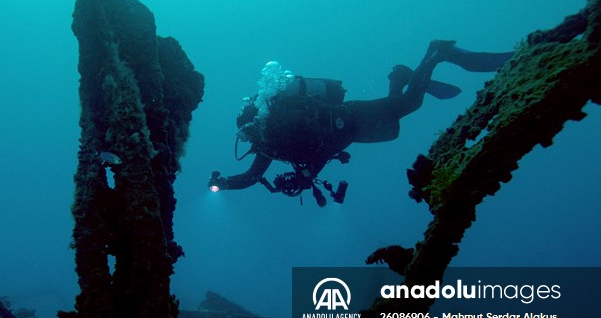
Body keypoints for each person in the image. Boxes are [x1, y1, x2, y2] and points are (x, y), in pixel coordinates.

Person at [208, 40, 512, 206]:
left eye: (248, 131)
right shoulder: (269, 144)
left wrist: (305, 173)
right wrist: (224, 184)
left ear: (258, 120)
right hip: (351, 132)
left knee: (410, 104)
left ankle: (436, 53)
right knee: (393, 129)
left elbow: (318, 145)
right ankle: (400, 77)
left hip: (351, 118)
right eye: (245, 136)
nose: (250, 139)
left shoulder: (284, 126)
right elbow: (250, 177)